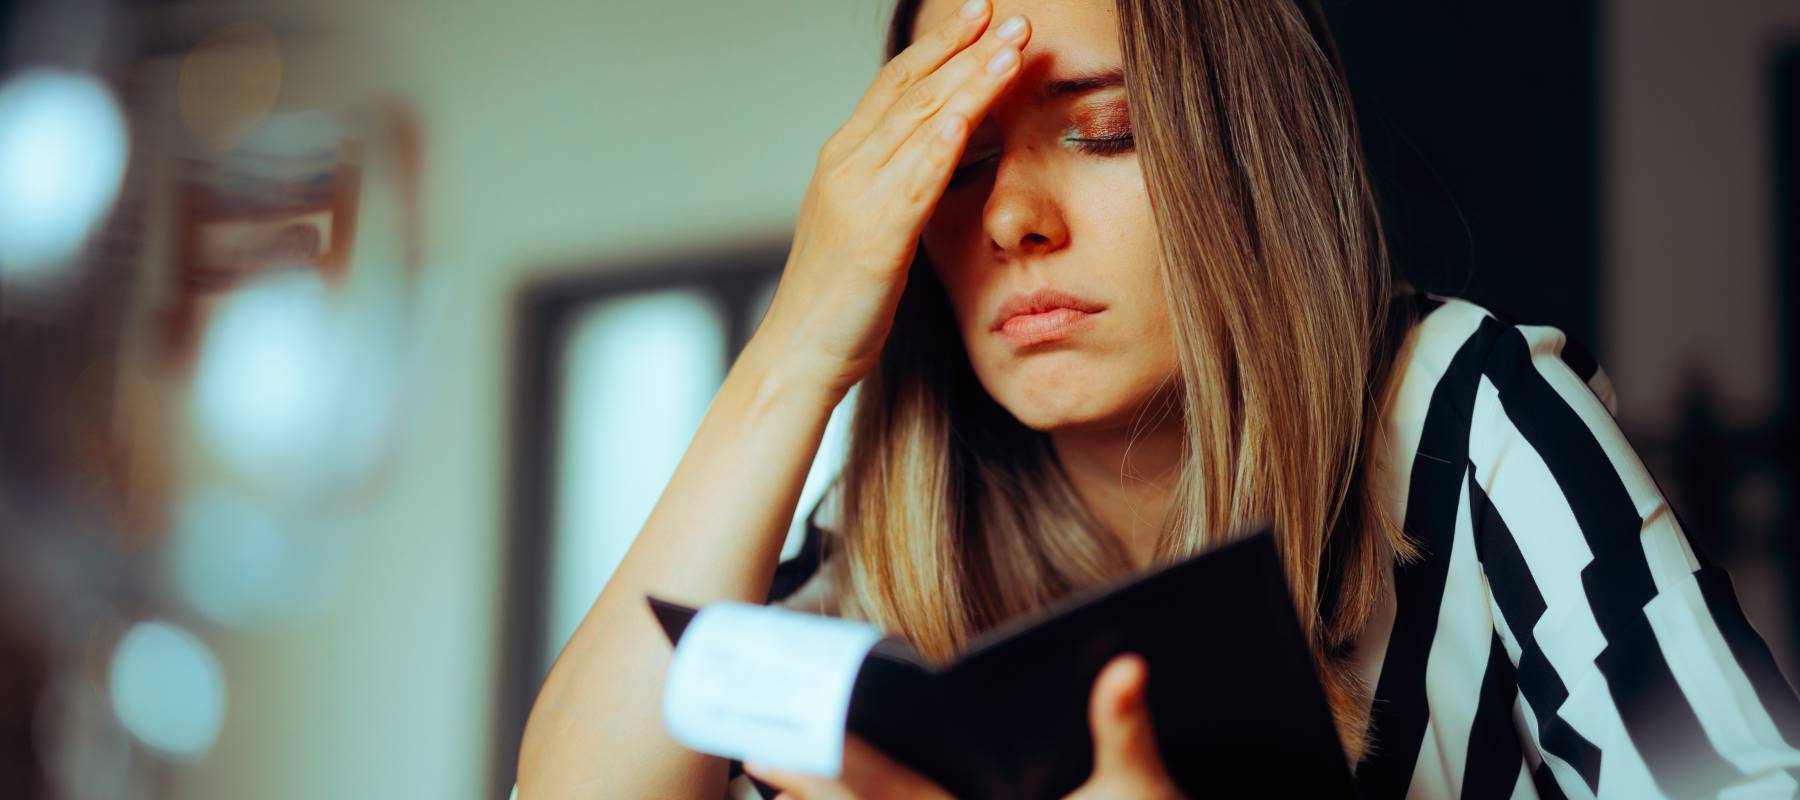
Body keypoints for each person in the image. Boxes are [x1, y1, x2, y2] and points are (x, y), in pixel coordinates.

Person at [515, 0, 1800, 797]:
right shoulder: (878, 558)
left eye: (1106, 130)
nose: (1012, 217)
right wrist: (798, 341)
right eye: (951, 166)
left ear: (1243, 152)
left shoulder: (1472, 420)